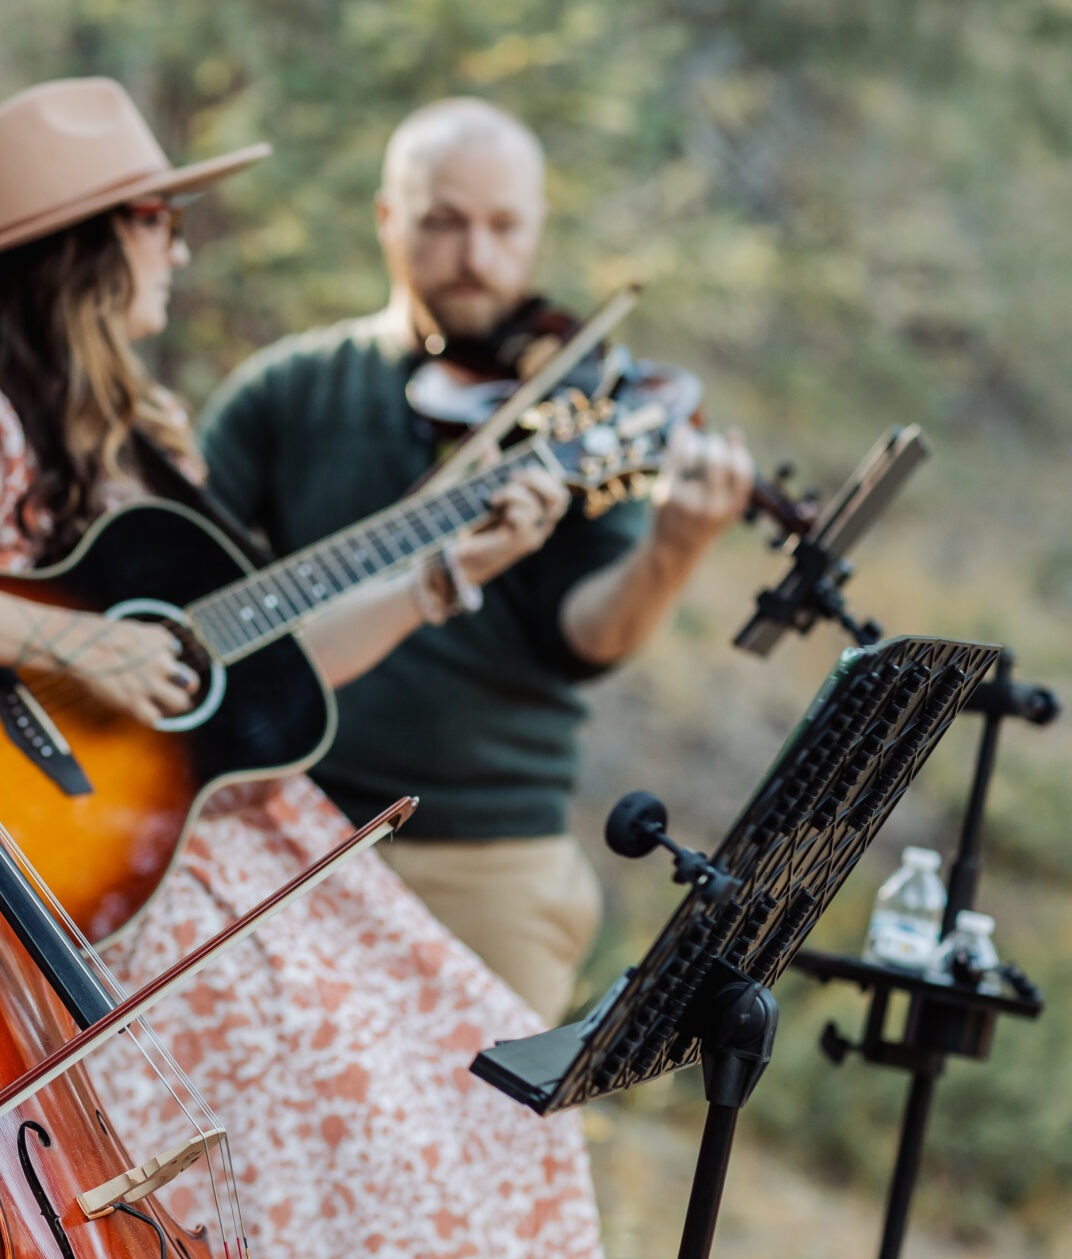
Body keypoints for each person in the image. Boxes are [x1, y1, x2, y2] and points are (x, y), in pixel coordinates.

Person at [0, 77, 614, 1259]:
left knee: (493, 1101)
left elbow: (255, 671)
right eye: (158, 223)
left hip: (220, 852)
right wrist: (73, 642)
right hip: (83, 874)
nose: (177, 251)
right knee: (317, 1166)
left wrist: (441, 574)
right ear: (97, 240)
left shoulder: (143, 429)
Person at [199, 98, 756, 1023]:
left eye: (504, 227)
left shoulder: (570, 411)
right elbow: (179, 588)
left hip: (489, 859)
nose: (476, 258)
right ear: (388, 218)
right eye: (443, 222)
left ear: (537, 227)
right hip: (273, 832)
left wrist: (675, 546)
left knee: (485, 1147)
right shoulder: (287, 389)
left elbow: (586, 635)